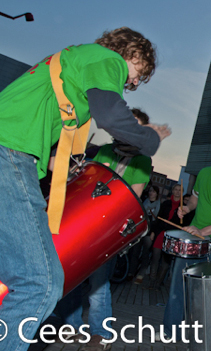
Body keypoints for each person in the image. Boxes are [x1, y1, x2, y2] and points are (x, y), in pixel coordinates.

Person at [0, 27, 170, 350]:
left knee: (3, 271)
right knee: (40, 284)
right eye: (140, 72)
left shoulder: (76, 62)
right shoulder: (107, 59)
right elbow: (112, 114)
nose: (135, 83)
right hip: (6, 151)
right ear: (130, 52)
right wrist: (149, 138)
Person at [57, 107, 154, 350]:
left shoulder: (143, 160)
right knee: (74, 274)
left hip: (110, 228)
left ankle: (100, 331)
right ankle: (72, 325)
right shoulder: (104, 151)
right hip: (85, 221)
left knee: (99, 282)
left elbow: (135, 195)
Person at [159, 141, 211, 341]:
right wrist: (187, 209)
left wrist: (202, 231)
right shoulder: (204, 173)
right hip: (194, 237)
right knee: (179, 284)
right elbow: (195, 199)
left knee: (208, 292)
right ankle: (171, 333)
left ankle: (203, 337)